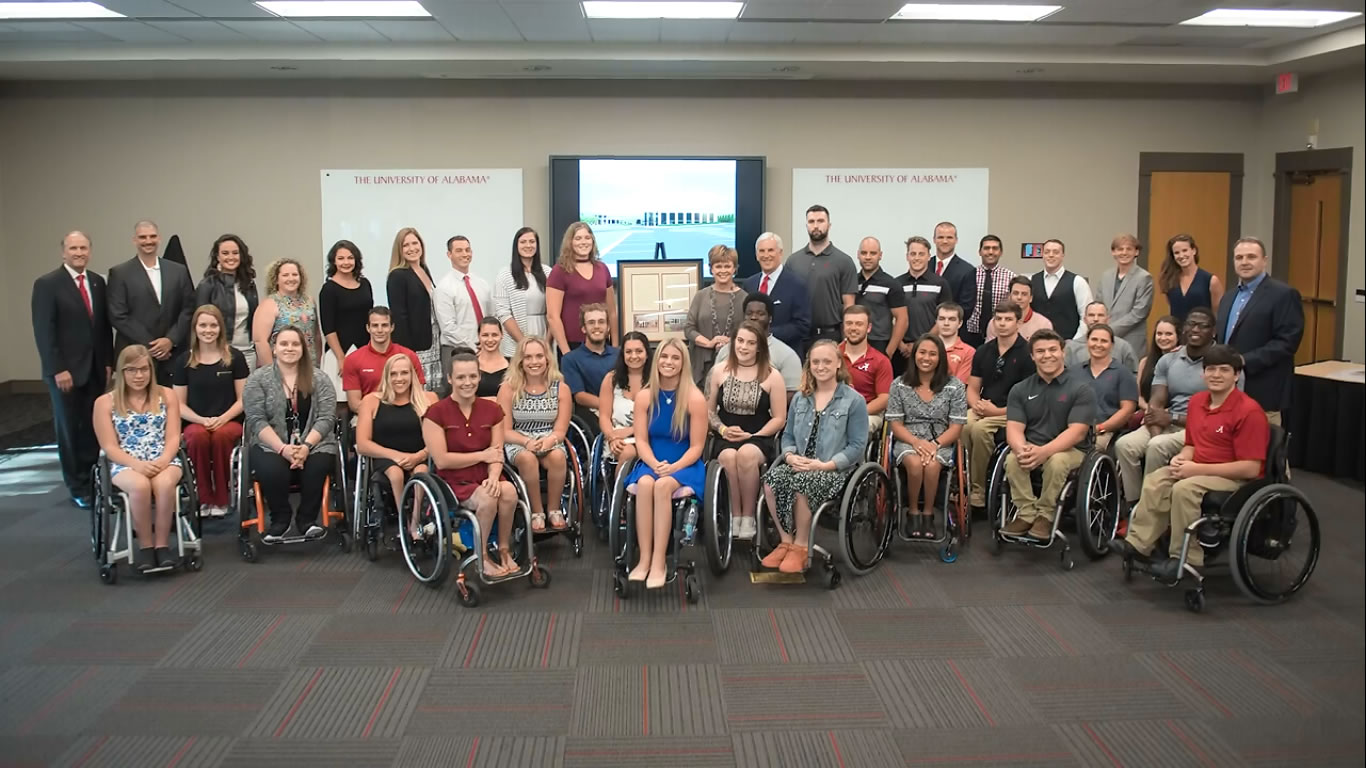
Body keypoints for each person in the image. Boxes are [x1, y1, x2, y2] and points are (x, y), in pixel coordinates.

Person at [1112, 345, 1268, 581]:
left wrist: (1195, 469)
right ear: (1203, 374)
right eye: (1210, 369)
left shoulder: (1249, 412)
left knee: (1184, 489)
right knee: (1157, 479)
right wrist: (1182, 457)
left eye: (1224, 370)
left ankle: (1185, 559)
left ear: (1236, 375)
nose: (1216, 375)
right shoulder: (1197, 402)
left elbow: (1250, 468)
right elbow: (1192, 444)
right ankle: (1138, 544)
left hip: (1235, 478)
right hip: (1200, 468)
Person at [760, 339, 868, 573]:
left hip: (835, 468)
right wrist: (789, 456)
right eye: (816, 362)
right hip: (800, 463)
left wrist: (826, 465)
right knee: (770, 481)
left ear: (839, 363)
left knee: (802, 484)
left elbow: (858, 446)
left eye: (827, 361)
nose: (821, 366)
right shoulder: (801, 398)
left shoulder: (854, 401)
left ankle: (801, 547)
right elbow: (787, 436)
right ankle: (786, 541)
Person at [1114, 308, 1235, 513]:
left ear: (1213, 331)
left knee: (1157, 447)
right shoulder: (1168, 360)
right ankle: (1134, 504)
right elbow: (1156, 402)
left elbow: (1224, 418)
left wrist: (1171, 419)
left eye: (1202, 326)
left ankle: (1151, 510)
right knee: (1125, 445)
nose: (1195, 329)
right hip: (1164, 422)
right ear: (1184, 329)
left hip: (1200, 428)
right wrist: (1156, 428)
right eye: (1190, 324)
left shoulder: (1223, 362)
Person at [31, 230, 113, 508]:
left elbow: (102, 328)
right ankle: (77, 485)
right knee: (69, 428)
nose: (79, 253)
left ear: (90, 251)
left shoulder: (98, 282)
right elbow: (45, 331)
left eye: (83, 248)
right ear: (63, 252)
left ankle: (94, 481)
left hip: (94, 369)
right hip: (65, 373)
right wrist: (57, 368)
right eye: (73, 248)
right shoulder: (47, 285)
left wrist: (107, 362)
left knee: (93, 427)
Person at [423, 350, 520, 577]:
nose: (468, 383)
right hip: (454, 480)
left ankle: (504, 549)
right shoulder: (435, 414)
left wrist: (494, 477)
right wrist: (481, 456)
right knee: (487, 499)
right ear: (450, 379)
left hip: (486, 474)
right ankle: (482, 555)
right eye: (461, 377)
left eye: (473, 377)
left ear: (479, 377)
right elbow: (442, 460)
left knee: (508, 491)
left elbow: (496, 454)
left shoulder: (493, 410)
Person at [624, 339, 708, 588]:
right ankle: (645, 558)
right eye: (664, 357)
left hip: (685, 463)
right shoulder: (645, 396)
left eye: (675, 358)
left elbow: (697, 447)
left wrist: (673, 467)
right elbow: (640, 439)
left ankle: (660, 560)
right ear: (656, 361)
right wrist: (653, 463)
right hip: (652, 460)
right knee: (646, 483)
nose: (668, 362)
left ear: (683, 363)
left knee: (661, 487)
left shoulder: (694, 398)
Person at [243, 325, 338, 543]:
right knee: (272, 469)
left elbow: (326, 418)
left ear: (303, 349)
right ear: (274, 348)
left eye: (295, 344)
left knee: (318, 465)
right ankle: (280, 519)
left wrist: (305, 447)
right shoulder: (258, 380)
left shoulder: (320, 379)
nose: (289, 348)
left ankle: (307, 520)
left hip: (315, 443)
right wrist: (283, 449)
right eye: (284, 344)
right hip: (271, 444)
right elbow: (256, 421)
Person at [93, 344, 184, 570]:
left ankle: (162, 546)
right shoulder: (105, 403)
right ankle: (145, 547)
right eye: (132, 370)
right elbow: (108, 446)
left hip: (163, 457)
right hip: (125, 461)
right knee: (140, 486)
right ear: (121, 372)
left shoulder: (167, 395)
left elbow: (173, 437)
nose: (139, 375)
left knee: (164, 484)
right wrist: (137, 465)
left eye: (144, 369)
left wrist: (163, 461)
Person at [1001, 330, 1098, 540]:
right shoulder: (1019, 389)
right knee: (1012, 459)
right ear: (1032, 356)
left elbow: (1077, 432)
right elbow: (1014, 429)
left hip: (1073, 450)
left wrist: (1044, 452)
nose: (1047, 355)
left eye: (1053, 350)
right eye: (1040, 351)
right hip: (1034, 446)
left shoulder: (1082, 389)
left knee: (1057, 461)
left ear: (1063, 352)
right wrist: (1022, 449)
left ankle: (1045, 515)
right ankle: (1026, 514)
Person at [707, 321, 787, 541]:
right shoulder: (718, 371)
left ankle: (749, 517)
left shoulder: (773, 375)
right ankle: (734, 516)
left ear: (759, 347)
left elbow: (780, 418)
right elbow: (708, 411)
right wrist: (722, 429)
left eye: (750, 343)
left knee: (747, 455)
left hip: (758, 435)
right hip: (726, 434)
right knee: (729, 456)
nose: (743, 347)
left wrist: (753, 436)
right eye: (740, 341)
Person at [1215, 237, 1304, 424]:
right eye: (1239, 257)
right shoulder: (1229, 296)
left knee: (1259, 449)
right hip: (1228, 390)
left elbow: (1287, 342)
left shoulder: (1283, 295)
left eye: (1251, 257)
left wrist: (1244, 360)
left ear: (1264, 260)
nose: (1244, 262)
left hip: (1263, 389)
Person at [887, 334, 967, 537]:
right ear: (914, 355)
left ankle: (928, 514)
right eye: (922, 352)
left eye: (933, 354)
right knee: (914, 463)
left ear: (940, 358)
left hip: (941, 439)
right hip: (908, 438)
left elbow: (956, 427)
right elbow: (895, 424)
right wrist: (916, 442)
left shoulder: (954, 386)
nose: (926, 358)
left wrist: (935, 444)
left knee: (932, 466)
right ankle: (913, 513)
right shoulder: (899, 384)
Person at [173, 305, 248, 518]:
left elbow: (243, 399)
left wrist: (222, 418)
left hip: (229, 420)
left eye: (213, 325)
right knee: (197, 437)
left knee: (222, 437)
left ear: (220, 328)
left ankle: (222, 499)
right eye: (203, 325)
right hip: (195, 422)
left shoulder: (235, 358)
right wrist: (201, 420)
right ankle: (204, 500)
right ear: (195, 328)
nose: (208, 330)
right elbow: (178, 404)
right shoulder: (184, 361)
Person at [355, 354, 436, 540]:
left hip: (420, 455)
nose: (399, 379)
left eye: (404, 373)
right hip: (385, 457)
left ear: (412, 375)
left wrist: (419, 456)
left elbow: (439, 439)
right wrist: (396, 456)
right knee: (396, 474)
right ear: (387, 376)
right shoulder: (372, 401)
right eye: (394, 374)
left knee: (421, 473)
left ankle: (415, 522)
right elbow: (362, 444)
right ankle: (403, 521)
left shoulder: (428, 399)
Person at [107, 219, 196, 386]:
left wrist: (170, 340)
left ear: (159, 238)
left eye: (152, 236)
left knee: (171, 406)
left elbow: (188, 309)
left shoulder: (178, 271)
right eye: (142, 237)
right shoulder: (120, 273)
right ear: (134, 240)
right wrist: (153, 345)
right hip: (135, 356)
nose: (148, 241)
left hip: (172, 354)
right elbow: (118, 315)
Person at [499, 336, 572, 532]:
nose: (534, 362)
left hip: (550, 438)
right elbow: (504, 431)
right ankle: (536, 511)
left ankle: (554, 509)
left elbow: (561, 429)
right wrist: (526, 441)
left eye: (539, 356)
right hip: (518, 439)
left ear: (547, 359)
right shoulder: (508, 388)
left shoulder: (561, 388)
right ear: (520, 361)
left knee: (558, 457)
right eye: (528, 357)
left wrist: (549, 441)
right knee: (527, 459)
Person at [965, 302, 1034, 508]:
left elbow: (1029, 397)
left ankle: (978, 489)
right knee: (963, 423)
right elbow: (972, 387)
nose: (1002, 324)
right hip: (984, 407)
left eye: (1008, 319)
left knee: (979, 430)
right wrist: (976, 405)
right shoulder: (984, 351)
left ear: (1018, 322)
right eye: (999, 319)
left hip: (1013, 411)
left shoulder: (1027, 353)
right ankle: (962, 483)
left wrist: (996, 411)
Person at [785, 205, 856, 344]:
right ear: (806, 226)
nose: (816, 226)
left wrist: (847, 338)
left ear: (829, 225)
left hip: (830, 335)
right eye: (811, 222)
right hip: (798, 336)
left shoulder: (844, 261)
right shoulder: (793, 261)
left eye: (820, 221)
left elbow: (849, 305)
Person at [387, 227, 443, 393]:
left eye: (415, 243)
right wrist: (407, 353)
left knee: (433, 392)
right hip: (416, 347)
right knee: (419, 392)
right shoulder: (397, 276)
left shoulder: (423, 269)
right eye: (406, 245)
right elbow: (399, 317)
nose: (412, 248)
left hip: (432, 340)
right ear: (400, 250)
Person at [547, 222, 617, 355]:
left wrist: (614, 347)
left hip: (602, 343)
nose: (583, 242)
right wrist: (566, 352)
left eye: (587, 238)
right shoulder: (559, 271)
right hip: (572, 346)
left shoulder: (602, 269)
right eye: (578, 238)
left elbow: (612, 312)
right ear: (570, 242)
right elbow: (552, 316)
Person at [713, 293, 803, 392]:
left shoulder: (787, 355)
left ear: (770, 318)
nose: (754, 317)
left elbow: (792, 394)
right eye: (749, 313)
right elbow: (714, 388)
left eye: (760, 314)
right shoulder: (726, 351)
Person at [435, 235, 492, 390]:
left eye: (467, 250)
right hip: (456, 350)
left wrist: (487, 344)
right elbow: (448, 327)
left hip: (484, 350)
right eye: (459, 250)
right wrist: (474, 347)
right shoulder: (444, 288)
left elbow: (489, 318)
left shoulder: (482, 284)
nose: (465, 254)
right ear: (449, 255)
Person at [343, 307, 426, 413]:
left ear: (392, 327)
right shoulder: (352, 359)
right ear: (368, 328)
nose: (380, 330)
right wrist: (383, 417)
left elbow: (419, 396)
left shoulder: (409, 356)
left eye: (385, 325)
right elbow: (354, 404)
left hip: (405, 416)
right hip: (370, 416)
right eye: (375, 325)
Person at [685, 244, 747, 386]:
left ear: (735, 269)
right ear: (711, 269)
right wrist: (709, 343)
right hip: (702, 364)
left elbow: (749, 332)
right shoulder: (701, 296)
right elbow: (689, 329)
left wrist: (730, 342)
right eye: (718, 266)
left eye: (727, 266)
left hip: (734, 363)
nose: (723, 271)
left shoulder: (744, 298)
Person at [196, 234, 259, 370]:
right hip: (219, 351)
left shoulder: (249, 285)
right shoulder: (207, 285)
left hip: (247, 351)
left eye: (235, 253)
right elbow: (198, 321)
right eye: (225, 253)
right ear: (218, 257)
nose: (231, 257)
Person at [741, 232, 809, 354]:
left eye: (771, 250)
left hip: (785, 354)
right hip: (752, 356)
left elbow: (802, 325)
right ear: (756, 255)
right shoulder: (748, 284)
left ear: (780, 253)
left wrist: (767, 335)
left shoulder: (797, 284)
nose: (766, 255)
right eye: (762, 251)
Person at [318, 240, 373, 389]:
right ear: (333, 261)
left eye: (350, 258)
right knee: (341, 401)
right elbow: (328, 329)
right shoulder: (328, 289)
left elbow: (371, 318)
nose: (346, 262)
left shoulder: (365, 284)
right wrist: (341, 358)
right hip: (339, 352)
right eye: (341, 258)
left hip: (364, 349)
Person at [894, 235, 950, 377]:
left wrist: (922, 344)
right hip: (901, 351)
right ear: (907, 256)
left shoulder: (940, 283)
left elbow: (944, 318)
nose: (917, 258)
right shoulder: (896, 284)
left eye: (921, 254)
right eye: (913, 254)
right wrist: (899, 344)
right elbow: (889, 318)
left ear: (928, 257)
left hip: (929, 350)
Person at [1077, 323, 1138, 453]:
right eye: (1094, 339)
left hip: (1104, 433)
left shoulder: (1123, 373)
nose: (1098, 344)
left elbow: (1127, 410)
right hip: (1074, 429)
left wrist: (1099, 428)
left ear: (1112, 345)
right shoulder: (1074, 372)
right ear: (1087, 342)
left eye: (1104, 341)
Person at [252, 257, 321, 369]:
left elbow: (316, 334)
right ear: (276, 279)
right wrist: (271, 372)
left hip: (309, 366)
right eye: (285, 275)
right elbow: (260, 342)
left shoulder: (310, 300)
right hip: (281, 367)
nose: (291, 278)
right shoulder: (269, 304)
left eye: (295, 274)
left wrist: (318, 362)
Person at [598, 331, 651, 472]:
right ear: (622, 355)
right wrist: (611, 437)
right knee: (628, 453)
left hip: (649, 435)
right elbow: (604, 416)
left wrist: (632, 430)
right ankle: (620, 493)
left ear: (647, 354)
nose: (634, 356)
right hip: (617, 437)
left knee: (644, 451)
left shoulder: (657, 380)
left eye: (639, 351)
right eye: (629, 352)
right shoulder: (611, 379)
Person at [493, 227, 549, 357]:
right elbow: (503, 313)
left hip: (543, 334)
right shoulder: (505, 275)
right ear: (516, 246)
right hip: (515, 342)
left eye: (532, 241)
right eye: (523, 242)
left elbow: (554, 311)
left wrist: (547, 342)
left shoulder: (548, 272)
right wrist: (523, 343)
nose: (528, 245)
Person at [854, 236, 909, 363]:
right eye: (864, 253)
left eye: (873, 253)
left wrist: (889, 352)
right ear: (858, 255)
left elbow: (903, 319)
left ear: (880, 255)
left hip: (880, 343)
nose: (868, 257)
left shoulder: (891, 284)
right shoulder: (852, 282)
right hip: (855, 343)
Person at [560, 303, 618, 421]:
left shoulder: (620, 355)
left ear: (608, 327)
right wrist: (611, 407)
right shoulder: (570, 359)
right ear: (583, 328)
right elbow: (580, 397)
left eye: (601, 322)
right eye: (591, 322)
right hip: (591, 413)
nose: (597, 326)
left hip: (623, 409)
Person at [1098, 234, 1154, 354]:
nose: (1124, 253)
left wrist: (1109, 329)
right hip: (1104, 341)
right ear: (1113, 252)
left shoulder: (1144, 278)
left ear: (1136, 252)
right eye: (1120, 249)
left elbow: (1139, 313)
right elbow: (1099, 305)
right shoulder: (1105, 276)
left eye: (1129, 249)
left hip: (1131, 341)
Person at [839, 305, 892, 432]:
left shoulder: (881, 361)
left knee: (856, 426)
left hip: (868, 413)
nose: (853, 328)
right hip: (833, 411)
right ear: (843, 327)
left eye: (859, 324)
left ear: (868, 328)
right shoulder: (832, 355)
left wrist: (855, 413)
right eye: (849, 323)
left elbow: (884, 399)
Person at [1030, 239, 1093, 341]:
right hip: (1038, 344)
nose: (1051, 255)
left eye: (1056, 252)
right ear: (1042, 255)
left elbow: (1086, 317)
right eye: (1047, 252)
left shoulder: (1077, 282)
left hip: (1069, 345)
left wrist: (1074, 342)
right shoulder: (1032, 280)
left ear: (1063, 255)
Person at [963, 234, 1015, 348]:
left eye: (995, 248)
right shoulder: (970, 275)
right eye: (986, 248)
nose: (990, 252)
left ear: (1001, 252)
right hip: (972, 332)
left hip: (999, 332)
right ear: (980, 252)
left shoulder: (1011, 277)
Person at [1160, 234, 1224, 322]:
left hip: (1202, 333)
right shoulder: (1170, 280)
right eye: (1177, 253)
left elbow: (1218, 313)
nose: (1181, 256)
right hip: (1177, 332)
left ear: (1193, 251)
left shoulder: (1211, 280)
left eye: (1185, 250)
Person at [1063, 301, 1139, 372]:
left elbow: (1133, 375)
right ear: (1085, 319)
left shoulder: (1123, 347)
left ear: (1107, 319)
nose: (1096, 319)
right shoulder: (1071, 347)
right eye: (1091, 315)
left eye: (1100, 315)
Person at [928, 221, 977, 314]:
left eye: (949, 237)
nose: (945, 241)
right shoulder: (925, 266)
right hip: (924, 325)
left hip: (952, 326)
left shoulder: (967, 271)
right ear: (934, 240)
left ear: (956, 240)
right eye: (940, 237)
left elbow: (966, 308)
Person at [1137, 315, 1181, 414]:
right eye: (1159, 334)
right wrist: (1150, 410)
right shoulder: (1144, 362)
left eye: (1169, 334)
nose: (1163, 338)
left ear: (1178, 336)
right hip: (1147, 413)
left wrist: (1163, 413)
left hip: (1174, 415)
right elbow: (1139, 397)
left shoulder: (1184, 362)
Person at [988, 276, 1053, 341]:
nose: (1019, 297)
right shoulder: (996, 322)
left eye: (1024, 294)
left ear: (1031, 298)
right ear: (1009, 296)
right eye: (1015, 293)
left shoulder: (1043, 324)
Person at [935, 303, 975, 384]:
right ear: (936, 321)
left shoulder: (968, 352)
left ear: (960, 323)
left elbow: (959, 384)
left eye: (952, 319)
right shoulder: (925, 347)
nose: (946, 323)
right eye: (942, 319)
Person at [475, 317, 510, 400]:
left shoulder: (513, 365)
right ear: (478, 336)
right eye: (485, 335)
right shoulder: (469, 365)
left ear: (502, 335)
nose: (490, 340)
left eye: (494, 335)